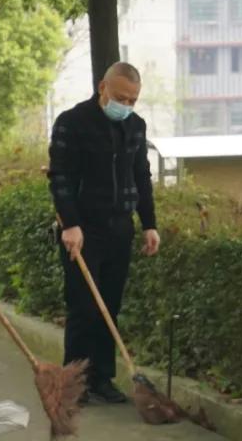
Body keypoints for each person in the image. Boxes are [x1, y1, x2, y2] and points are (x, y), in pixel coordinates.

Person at [48, 62, 160, 404]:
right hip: (83, 230)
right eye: (121, 97)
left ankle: (101, 378)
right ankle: (74, 382)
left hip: (119, 228)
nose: (125, 106)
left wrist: (149, 223)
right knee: (83, 306)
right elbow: (61, 177)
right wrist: (70, 224)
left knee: (109, 305)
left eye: (133, 100)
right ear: (103, 88)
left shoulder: (135, 127)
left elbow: (141, 175)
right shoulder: (72, 123)